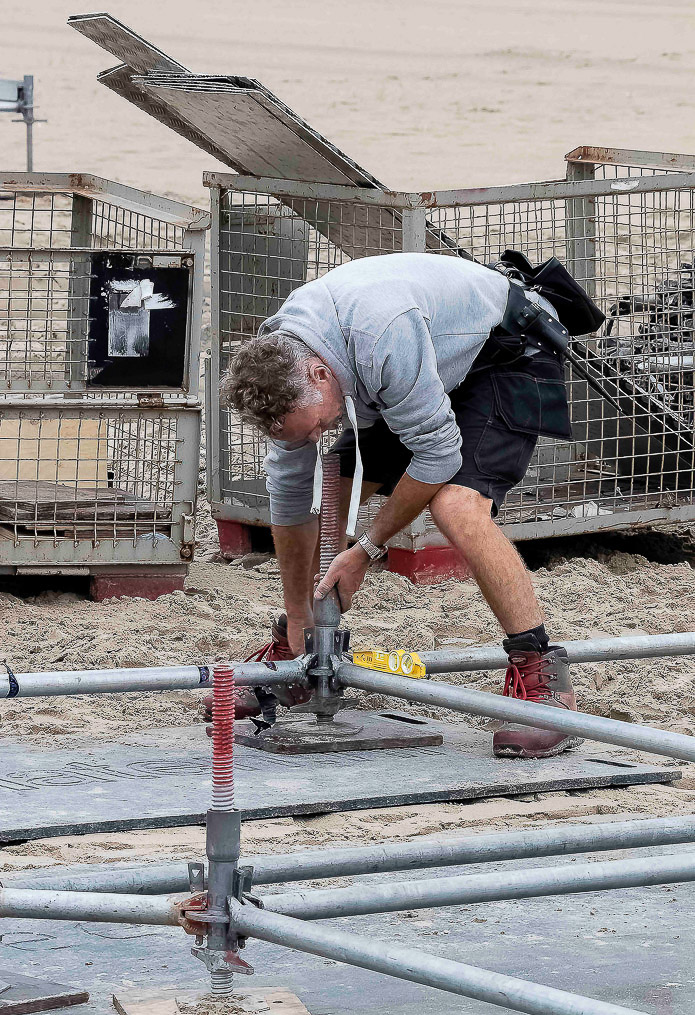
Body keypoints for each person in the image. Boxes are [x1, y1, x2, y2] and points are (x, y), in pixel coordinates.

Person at [221, 251, 582, 759]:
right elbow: (290, 495)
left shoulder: (381, 336)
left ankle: (542, 675)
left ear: (320, 374)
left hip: (506, 350)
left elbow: (438, 454)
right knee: (330, 488)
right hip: (416, 369)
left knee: (456, 506)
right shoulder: (283, 360)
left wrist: (366, 549)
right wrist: (298, 610)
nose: (320, 435)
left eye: (319, 425)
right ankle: (304, 647)